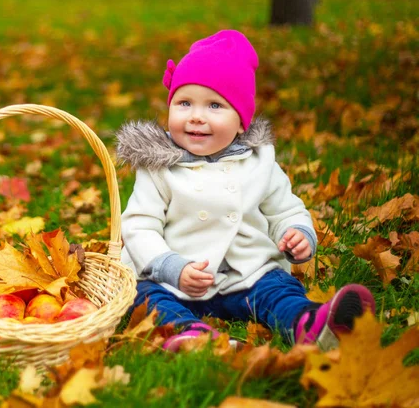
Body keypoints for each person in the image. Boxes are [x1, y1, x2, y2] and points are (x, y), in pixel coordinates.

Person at [116, 30, 375, 352]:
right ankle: (187, 334)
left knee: (278, 289)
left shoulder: (260, 162)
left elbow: (286, 209)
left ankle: (310, 324)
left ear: (241, 122)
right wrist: (171, 266)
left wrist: (297, 232)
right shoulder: (157, 167)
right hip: (176, 278)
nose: (196, 115)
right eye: (184, 103)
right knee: (141, 295)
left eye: (214, 105)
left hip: (246, 274)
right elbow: (139, 225)